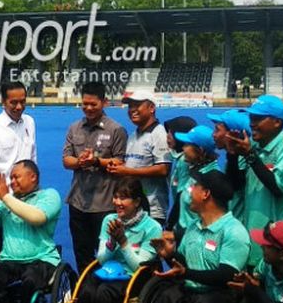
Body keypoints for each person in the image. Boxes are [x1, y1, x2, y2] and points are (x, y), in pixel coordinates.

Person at [151, 170, 251, 303]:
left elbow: (226, 275)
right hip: (189, 294)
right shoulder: (193, 226)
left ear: (206, 194)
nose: (190, 191)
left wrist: (186, 273)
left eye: (195, 186)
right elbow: (185, 266)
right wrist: (170, 255)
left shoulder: (234, 231)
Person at [62, 81, 127, 273]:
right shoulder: (74, 128)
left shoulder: (116, 130)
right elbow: (66, 160)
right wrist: (80, 162)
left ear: (104, 102)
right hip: (78, 202)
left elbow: (120, 163)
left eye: (93, 104)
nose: (88, 108)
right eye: (85, 104)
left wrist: (96, 162)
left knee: (105, 255)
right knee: (81, 253)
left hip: (104, 204)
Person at [226, 95, 283, 267]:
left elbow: (279, 187)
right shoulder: (255, 146)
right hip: (253, 239)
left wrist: (250, 156)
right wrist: (233, 156)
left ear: (277, 122)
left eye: (258, 118)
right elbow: (236, 186)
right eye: (251, 118)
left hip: (276, 245)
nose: (252, 123)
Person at [0, 160, 61, 303]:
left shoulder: (49, 195)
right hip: (10, 261)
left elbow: (37, 218)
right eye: (11, 178)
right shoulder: (5, 203)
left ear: (33, 177)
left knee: (30, 279)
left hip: (41, 260)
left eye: (16, 177)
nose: (12, 182)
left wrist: (5, 197)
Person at [77, 178, 161, 303]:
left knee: (103, 293)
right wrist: (112, 242)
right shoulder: (109, 220)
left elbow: (139, 268)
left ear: (137, 202)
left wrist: (123, 243)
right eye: (115, 197)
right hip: (107, 272)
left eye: (123, 198)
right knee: (86, 291)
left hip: (133, 277)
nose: (117, 202)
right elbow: (101, 260)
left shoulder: (153, 228)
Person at [107, 90, 171, 225]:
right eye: (130, 106)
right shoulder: (133, 135)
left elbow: (163, 169)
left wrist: (127, 172)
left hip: (152, 209)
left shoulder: (159, 134)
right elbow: (132, 164)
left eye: (137, 105)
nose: (132, 110)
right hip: (132, 208)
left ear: (152, 108)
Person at [0, 81, 37, 190]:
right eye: (14, 102)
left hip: (28, 196)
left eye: (23, 101)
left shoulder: (30, 122)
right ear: (3, 101)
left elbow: (33, 160)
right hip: (4, 198)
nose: (19, 107)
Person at [173, 126, 220, 235]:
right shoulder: (194, 172)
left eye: (187, 145)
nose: (183, 148)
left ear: (200, 150)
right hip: (184, 237)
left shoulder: (213, 178)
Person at [209, 109, 251, 222]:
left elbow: (235, 186)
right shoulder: (234, 158)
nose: (213, 135)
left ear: (232, 133)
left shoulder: (242, 159)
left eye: (217, 130)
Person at [163, 116, 197, 232]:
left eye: (171, 133)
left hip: (185, 220)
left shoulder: (184, 161)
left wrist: (169, 225)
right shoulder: (179, 158)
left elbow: (180, 196)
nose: (167, 136)